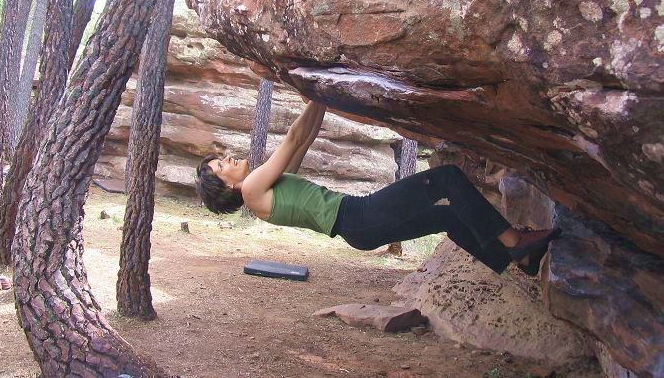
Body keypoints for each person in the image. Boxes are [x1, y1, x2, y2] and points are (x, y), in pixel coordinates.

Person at [196, 99, 561, 276]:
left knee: (448, 218)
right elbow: (291, 138)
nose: (227, 159)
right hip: (359, 217)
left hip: (358, 227)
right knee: (446, 177)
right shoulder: (251, 190)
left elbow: (304, 139)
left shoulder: (262, 190)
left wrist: (320, 96)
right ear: (225, 186)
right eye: (220, 165)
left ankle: (517, 260)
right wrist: (317, 92)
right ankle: (515, 243)